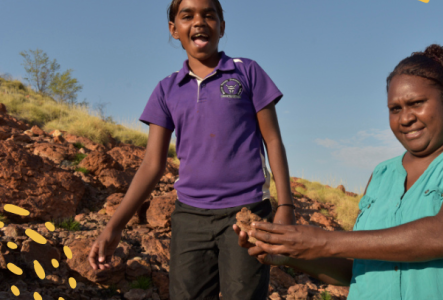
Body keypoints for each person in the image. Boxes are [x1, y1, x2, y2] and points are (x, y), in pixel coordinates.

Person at [235, 44, 443, 299]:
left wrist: (320, 240)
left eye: (417, 104)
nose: (406, 118)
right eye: (394, 109)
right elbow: (359, 271)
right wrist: (290, 255)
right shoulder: (382, 174)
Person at [88, 0, 295, 299]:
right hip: (190, 217)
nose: (199, 21)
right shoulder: (166, 89)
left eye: (209, 15)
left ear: (222, 27)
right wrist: (114, 226)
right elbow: (151, 165)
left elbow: (273, 140)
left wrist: (285, 206)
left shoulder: (246, 72)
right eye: (187, 16)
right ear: (174, 29)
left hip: (246, 212)